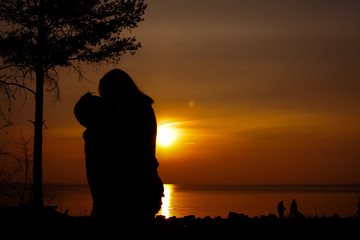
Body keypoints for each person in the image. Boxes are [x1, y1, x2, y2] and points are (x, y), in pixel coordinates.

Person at [74, 69, 164, 224]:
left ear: (117, 90)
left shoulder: (130, 113)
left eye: (107, 94)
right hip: (140, 191)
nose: (106, 99)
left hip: (135, 194)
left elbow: (127, 155)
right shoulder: (136, 109)